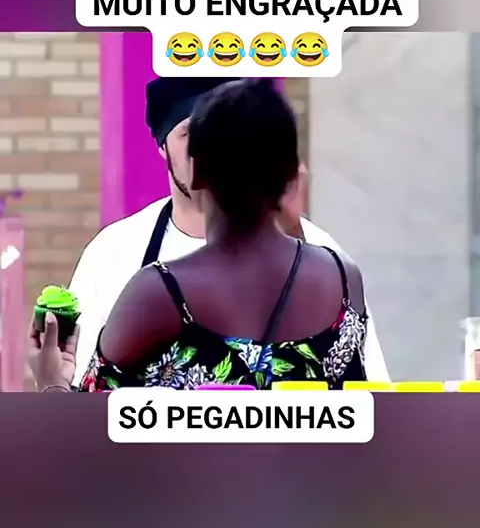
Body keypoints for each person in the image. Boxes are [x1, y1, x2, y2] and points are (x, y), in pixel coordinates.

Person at [31, 78, 369, 392]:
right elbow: (368, 411)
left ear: (198, 170)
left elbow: (91, 427)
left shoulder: (158, 294)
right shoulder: (342, 279)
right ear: (292, 177)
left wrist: (51, 382)